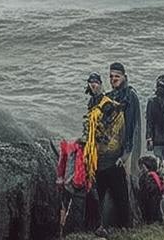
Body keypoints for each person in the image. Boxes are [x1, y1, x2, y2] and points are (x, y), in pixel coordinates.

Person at [83, 72, 130, 230]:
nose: (93, 85)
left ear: (100, 84)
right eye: (90, 83)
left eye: (95, 82)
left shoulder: (108, 104)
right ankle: (94, 226)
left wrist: (121, 154)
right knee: (97, 194)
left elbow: (117, 130)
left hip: (110, 157)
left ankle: (125, 226)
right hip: (97, 158)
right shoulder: (92, 103)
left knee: (120, 195)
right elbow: (90, 129)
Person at [108, 62, 142, 165]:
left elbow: (131, 125)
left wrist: (126, 153)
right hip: (112, 145)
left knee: (125, 176)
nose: (113, 79)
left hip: (126, 147)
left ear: (124, 77)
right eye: (111, 76)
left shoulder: (130, 96)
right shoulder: (110, 96)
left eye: (117, 76)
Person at [56, 137, 91, 236]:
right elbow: (62, 161)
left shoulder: (89, 147)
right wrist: (60, 177)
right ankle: (63, 233)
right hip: (69, 183)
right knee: (65, 209)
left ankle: (76, 234)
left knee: (78, 214)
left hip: (80, 184)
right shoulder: (68, 144)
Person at [135, 155, 164, 224]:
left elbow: (149, 197)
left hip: (156, 212)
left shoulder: (148, 177)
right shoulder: (158, 176)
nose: (139, 170)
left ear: (145, 167)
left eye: (141, 167)